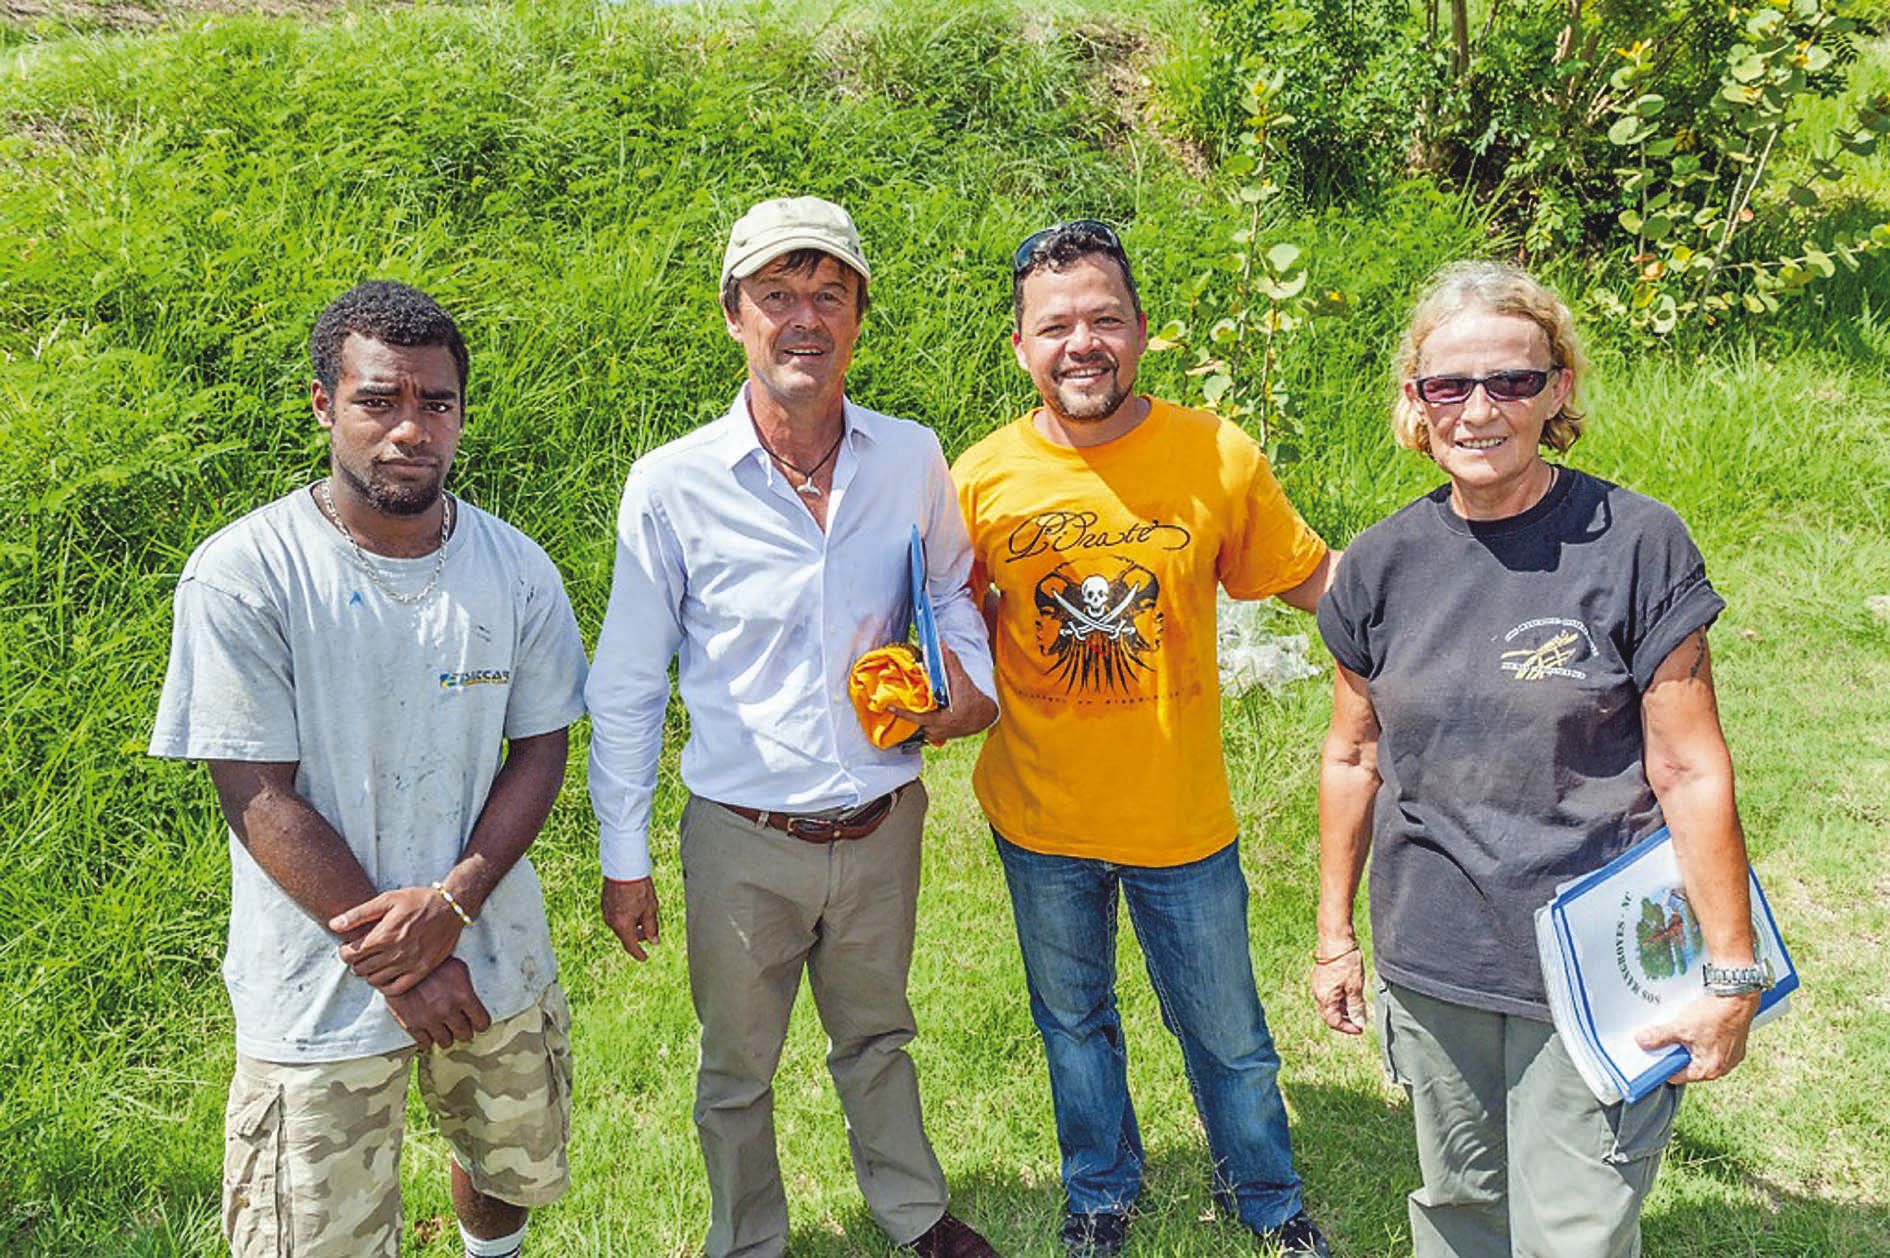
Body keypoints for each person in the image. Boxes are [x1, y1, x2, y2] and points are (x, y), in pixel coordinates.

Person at [1313, 260, 1765, 1257]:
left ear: (1556, 388)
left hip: (1602, 957)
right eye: (1449, 385)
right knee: (1463, 1210)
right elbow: (1353, 755)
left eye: (1512, 382)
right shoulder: (1381, 565)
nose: (1479, 410)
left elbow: (1690, 770)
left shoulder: (1637, 544)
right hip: (1434, 957)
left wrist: (1733, 973)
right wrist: (1335, 937)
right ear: (1415, 400)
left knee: (1576, 1233)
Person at [585, 195, 1003, 1258]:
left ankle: (913, 1212)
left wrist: (965, 685)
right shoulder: (672, 484)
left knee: (878, 1035)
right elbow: (629, 684)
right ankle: (748, 1239)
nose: (803, 317)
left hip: (880, 817)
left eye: (829, 293)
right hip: (741, 836)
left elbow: (952, 587)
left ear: (860, 314)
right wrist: (623, 855)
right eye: (778, 295)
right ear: (735, 315)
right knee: (737, 1067)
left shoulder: (909, 456)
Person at [149, 281, 588, 1258]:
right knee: (313, 1237)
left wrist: (456, 903)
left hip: (489, 944)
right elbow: (257, 793)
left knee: (509, 1164)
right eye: (378, 400)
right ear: (323, 405)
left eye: (436, 402)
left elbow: (542, 743)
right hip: (317, 981)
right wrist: (400, 960)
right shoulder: (245, 573)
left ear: (462, 413)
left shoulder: (516, 570)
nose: (410, 429)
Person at [951, 220, 1333, 1258]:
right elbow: (938, 628)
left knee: (1228, 1034)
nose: (1084, 343)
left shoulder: (1214, 453)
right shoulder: (977, 480)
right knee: (1074, 1028)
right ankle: (1101, 1191)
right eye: (1057, 325)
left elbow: (1315, 581)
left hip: (1181, 814)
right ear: (1021, 346)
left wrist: (1435, 620)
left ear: (1143, 332)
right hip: (1040, 815)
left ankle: (1265, 1193)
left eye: (1105, 319)